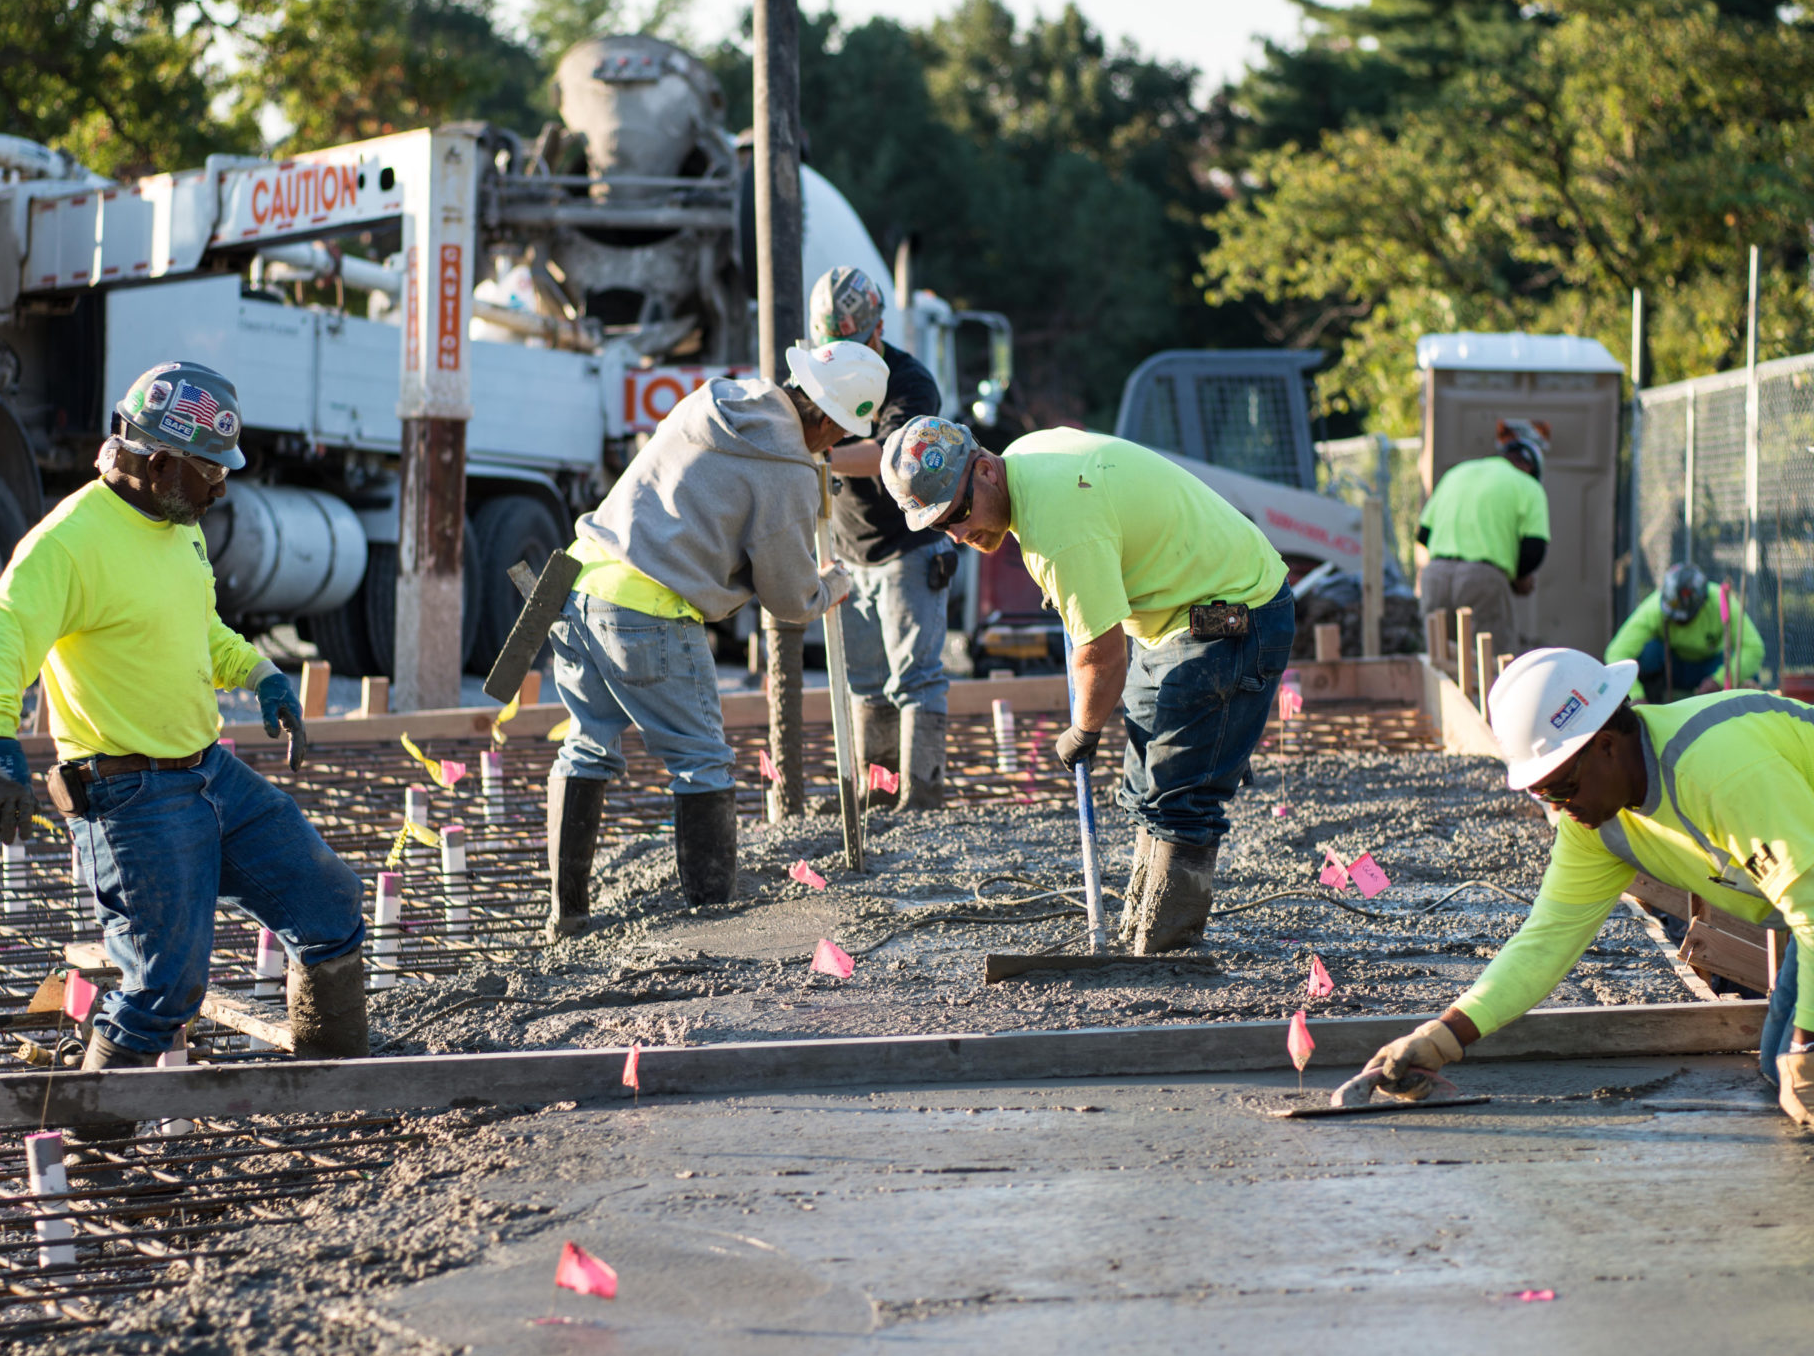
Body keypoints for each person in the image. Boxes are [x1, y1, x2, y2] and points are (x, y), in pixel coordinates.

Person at [1362, 646, 1814, 1153]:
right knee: (1779, 1062)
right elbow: (1546, 939)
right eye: (1544, 795)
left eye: (1563, 787)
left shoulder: (1716, 771)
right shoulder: (1598, 821)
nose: (1561, 808)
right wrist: (1444, 1035)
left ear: (1606, 743)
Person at [0, 361, 370, 1090]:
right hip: (131, 798)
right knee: (164, 986)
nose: (222, 488)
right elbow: (1, 633)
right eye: (211, 471)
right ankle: (93, 1138)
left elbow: (197, 627)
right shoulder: (71, 541)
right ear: (157, 464)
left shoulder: (178, 527)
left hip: (209, 773)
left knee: (328, 901)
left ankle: (337, 1077)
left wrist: (261, 674)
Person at [882, 418, 1294, 954]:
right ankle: (1141, 928)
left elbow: (1101, 656)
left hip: (1235, 615)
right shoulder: (1025, 460)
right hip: (1173, 619)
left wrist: (1083, 730)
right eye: (940, 526)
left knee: (1180, 795)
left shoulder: (1059, 526)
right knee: (1145, 788)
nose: (957, 535)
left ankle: (1168, 947)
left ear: (985, 471)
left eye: (958, 513)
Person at [541, 341, 885, 938]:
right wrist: (831, 586)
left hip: (580, 583)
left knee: (586, 748)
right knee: (702, 763)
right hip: (648, 607)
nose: (832, 449)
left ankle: (565, 914)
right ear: (831, 423)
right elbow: (790, 598)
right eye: (838, 437)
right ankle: (712, 922)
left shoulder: (718, 399)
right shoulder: (788, 470)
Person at [811, 266, 956, 810]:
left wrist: (820, 455)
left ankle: (921, 792)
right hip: (850, 551)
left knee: (914, 677)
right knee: (866, 682)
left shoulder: (910, 381)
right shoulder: (822, 376)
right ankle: (879, 791)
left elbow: (892, 454)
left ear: (878, 330)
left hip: (907, 547)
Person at [1416, 422, 1550, 664]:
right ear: (1530, 467)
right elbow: (1534, 549)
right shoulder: (1528, 485)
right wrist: (1519, 577)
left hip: (1435, 576)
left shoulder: (1457, 473)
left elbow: (1423, 535)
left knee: (1441, 664)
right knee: (1490, 666)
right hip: (1483, 581)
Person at [1604, 562, 1764, 702]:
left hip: (1711, 666)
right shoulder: (1654, 608)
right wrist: (1635, 696)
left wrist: (1719, 679)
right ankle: (1653, 699)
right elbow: (1616, 654)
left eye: (1686, 617)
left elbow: (1754, 649)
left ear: (1703, 602)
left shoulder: (1721, 601)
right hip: (1673, 665)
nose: (1679, 621)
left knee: (1746, 670)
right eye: (1673, 616)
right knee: (1648, 654)